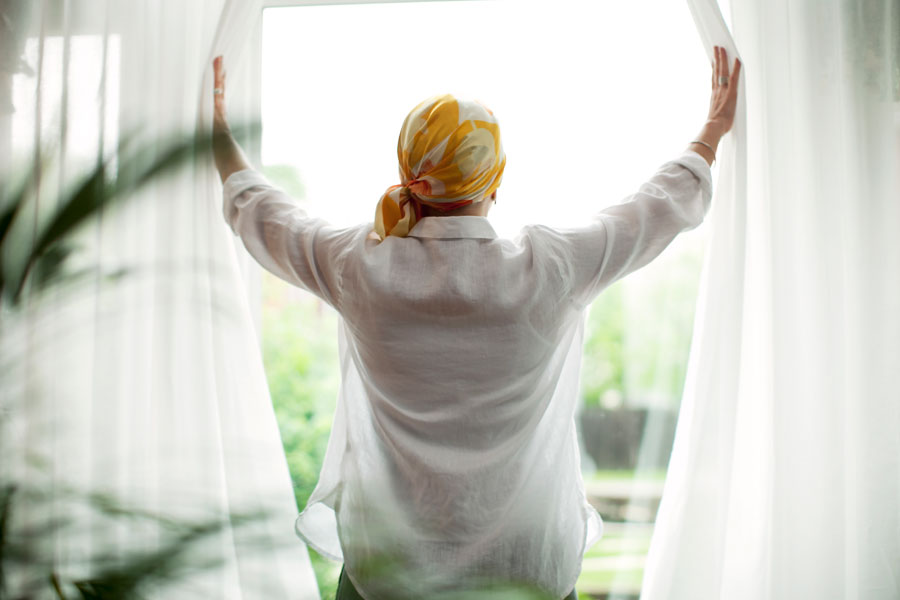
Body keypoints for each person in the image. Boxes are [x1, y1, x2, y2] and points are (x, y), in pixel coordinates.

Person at [211, 46, 740, 600]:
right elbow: (654, 209)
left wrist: (217, 132)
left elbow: (264, 214)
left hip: (387, 581)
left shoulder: (358, 267)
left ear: (408, 174)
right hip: (527, 573)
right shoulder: (551, 269)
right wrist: (712, 131)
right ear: (496, 179)